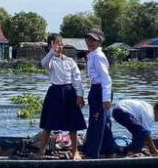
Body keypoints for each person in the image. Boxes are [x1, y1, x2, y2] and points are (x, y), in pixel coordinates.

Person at [34, 34, 87, 160]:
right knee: (48, 124)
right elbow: (43, 64)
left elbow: (77, 79)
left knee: (72, 124)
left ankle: (75, 152)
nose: (59, 46)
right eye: (56, 43)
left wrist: (79, 95)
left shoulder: (70, 61)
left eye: (60, 43)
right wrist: (52, 51)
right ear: (50, 46)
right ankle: (41, 151)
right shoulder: (50, 60)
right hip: (54, 92)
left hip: (69, 92)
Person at [83, 28, 115, 159]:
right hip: (97, 89)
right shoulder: (92, 55)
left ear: (100, 41)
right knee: (105, 122)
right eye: (88, 39)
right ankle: (109, 150)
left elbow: (106, 79)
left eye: (94, 40)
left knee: (96, 122)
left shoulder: (97, 56)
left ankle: (93, 154)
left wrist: (105, 98)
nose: (90, 42)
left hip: (100, 90)